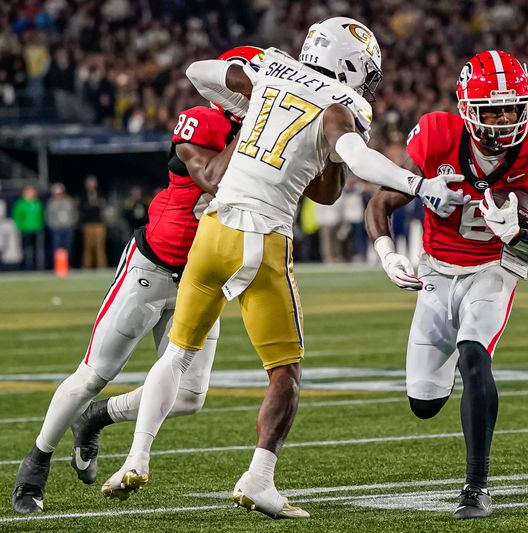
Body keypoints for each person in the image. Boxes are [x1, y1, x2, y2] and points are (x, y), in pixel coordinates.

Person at [102, 17, 467, 519]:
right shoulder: (340, 105)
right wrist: (421, 185)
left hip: (210, 231)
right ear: (351, 64)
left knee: (177, 354)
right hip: (260, 235)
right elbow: (357, 159)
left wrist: (251, 99)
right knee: (285, 373)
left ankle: (137, 457)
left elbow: (198, 71)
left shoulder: (269, 70)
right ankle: (259, 478)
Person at [9, 46, 265, 516]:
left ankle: (97, 419)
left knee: (188, 398)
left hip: (202, 276)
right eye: (255, 82)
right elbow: (212, 178)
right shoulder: (202, 121)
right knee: (93, 373)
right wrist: (255, 130)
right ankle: (35, 466)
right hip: (152, 266)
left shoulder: (258, 132)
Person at [366, 50, 528, 519]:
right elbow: (380, 204)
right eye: (492, 109)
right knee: (423, 403)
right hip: (436, 271)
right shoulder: (437, 138)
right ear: (466, 110)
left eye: (513, 107)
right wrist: (387, 253)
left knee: (475, 354)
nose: (504, 120)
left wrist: (522, 235)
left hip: (497, 266)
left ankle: (476, 488)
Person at [11, 185, 44, 270]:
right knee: (26, 249)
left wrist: (41, 225)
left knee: (38, 250)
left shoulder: (37, 203)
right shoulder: (21, 204)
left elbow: (42, 216)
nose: (31, 193)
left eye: (32, 191)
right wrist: (20, 226)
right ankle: (28, 266)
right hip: (25, 229)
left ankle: (39, 266)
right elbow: (17, 216)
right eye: (29, 191)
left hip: (37, 229)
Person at [79, 175, 107, 269]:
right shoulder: (83, 195)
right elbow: (83, 208)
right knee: (88, 247)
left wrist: (93, 205)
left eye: (92, 183)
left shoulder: (100, 193)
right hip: (88, 224)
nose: (91, 185)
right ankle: (87, 266)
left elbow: (102, 207)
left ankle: (101, 265)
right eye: (89, 183)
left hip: (99, 224)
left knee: (100, 246)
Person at [45, 182, 78, 260]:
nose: (58, 195)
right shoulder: (51, 203)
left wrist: (72, 223)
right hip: (56, 229)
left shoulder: (69, 201)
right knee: (56, 247)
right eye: (56, 193)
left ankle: (69, 264)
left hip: (67, 227)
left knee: (68, 247)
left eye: (60, 193)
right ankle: (57, 266)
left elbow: (74, 213)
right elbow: (48, 216)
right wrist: (52, 226)